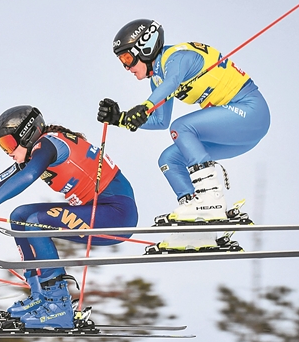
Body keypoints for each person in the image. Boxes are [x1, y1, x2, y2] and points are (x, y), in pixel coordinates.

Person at [0, 105, 138, 329]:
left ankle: (59, 305)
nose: (8, 152)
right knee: (20, 216)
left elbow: (30, 175)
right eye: (3, 147)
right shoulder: (38, 151)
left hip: (116, 214)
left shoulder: (48, 145)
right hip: (95, 212)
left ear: (27, 134)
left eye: (10, 144)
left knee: (34, 222)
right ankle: (40, 295)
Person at [98, 19, 270, 253]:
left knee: (183, 127)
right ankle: (198, 226)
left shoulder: (177, 58)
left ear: (145, 47)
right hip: (236, 131)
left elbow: (172, 82)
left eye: (127, 58)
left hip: (250, 112)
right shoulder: (157, 79)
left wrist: (145, 105)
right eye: (122, 62)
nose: (126, 67)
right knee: (169, 159)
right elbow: (160, 121)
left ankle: (210, 200)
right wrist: (120, 118)